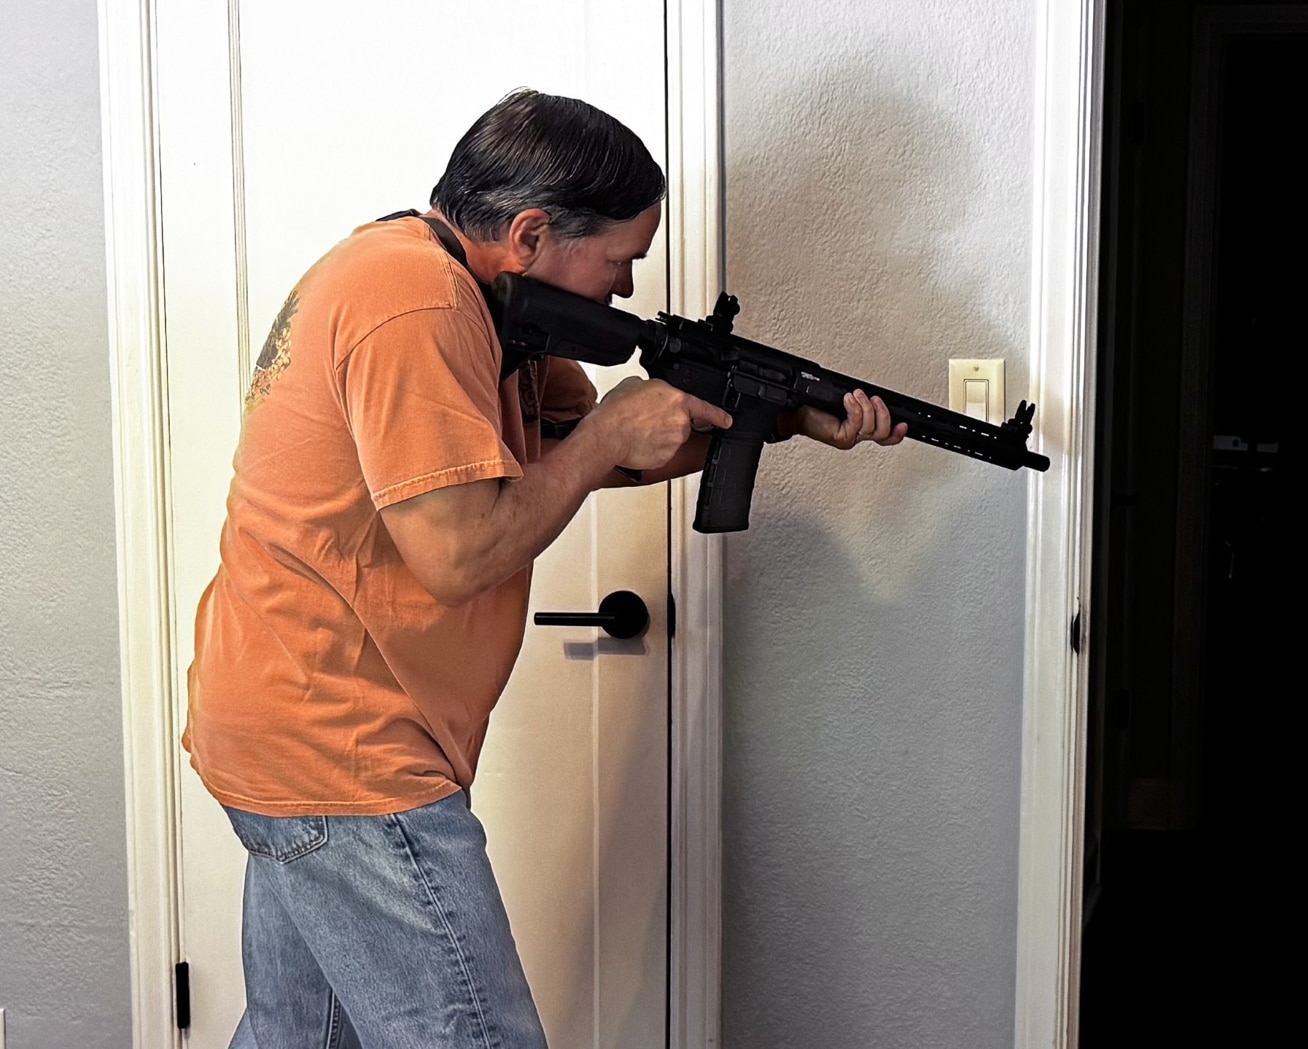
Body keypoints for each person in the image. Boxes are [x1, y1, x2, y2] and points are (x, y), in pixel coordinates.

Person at [184, 88, 904, 1049]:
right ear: (529, 232)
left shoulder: (476, 301)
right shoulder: (414, 302)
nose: (622, 290)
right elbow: (460, 551)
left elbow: (563, 451)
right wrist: (615, 422)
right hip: (343, 747)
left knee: (300, 1038)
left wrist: (783, 421)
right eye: (618, 262)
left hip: (291, 726)